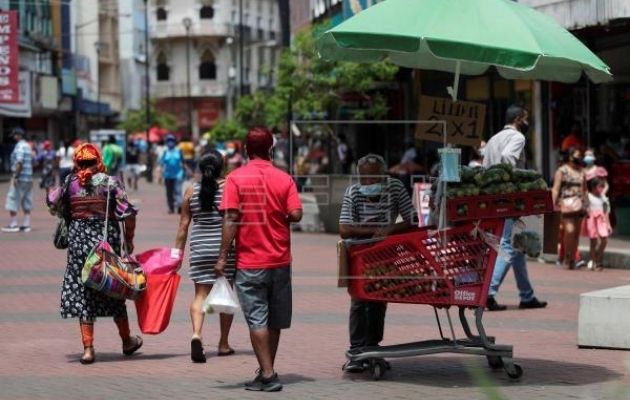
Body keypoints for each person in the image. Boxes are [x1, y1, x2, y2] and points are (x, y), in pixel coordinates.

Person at [215, 127, 302, 392]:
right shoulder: (284, 178)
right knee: (273, 321)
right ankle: (267, 370)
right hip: (280, 261)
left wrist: (222, 257)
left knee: (257, 320)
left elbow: (231, 219)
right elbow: (296, 214)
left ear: (245, 149)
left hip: (250, 263)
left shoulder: (235, 179)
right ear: (271, 149)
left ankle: (267, 373)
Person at [46, 143, 142, 364]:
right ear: (99, 161)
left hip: (79, 244)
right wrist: (129, 240)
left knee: (84, 293)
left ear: (77, 162)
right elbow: (128, 213)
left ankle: (88, 349)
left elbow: (51, 201)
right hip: (106, 242)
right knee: (115, 286)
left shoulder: (70, 183)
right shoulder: (111, 183)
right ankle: (127, 340)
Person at [339, 153, 417, 373]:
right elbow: (344, 229)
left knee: (378, 300)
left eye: (373, 178)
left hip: (384, 255)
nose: (369, 183)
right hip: (359, 254)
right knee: (358, 301)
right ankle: (356, 350)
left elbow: (412, 219)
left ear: (383, 175)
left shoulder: (395, 188)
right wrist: (374, 232)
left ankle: (373, 347)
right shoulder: (353, 192)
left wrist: (392, 228)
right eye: (364, 178)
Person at [174, 151, 237, 363]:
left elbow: (183, 226)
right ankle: (223, 343)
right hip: (222, 247)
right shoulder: (229, 188)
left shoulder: (191, 191)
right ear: (221, 167)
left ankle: (197, 334)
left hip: (200, 247)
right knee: (225, 293)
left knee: (200, 295)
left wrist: (177, 255)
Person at [483, 105, 547, 311]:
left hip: (493, 197)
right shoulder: (518, 138)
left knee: (517, 245)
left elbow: (486, 167)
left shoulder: (493, 138)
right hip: (510, 198)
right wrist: (520, 182)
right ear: (519, 119)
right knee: (509, 246)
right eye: (525, 119)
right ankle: (489, 293)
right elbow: (508, 159)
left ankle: (526, 295)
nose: (527, 123)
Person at [552, 147, 587, 270]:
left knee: (576, 234)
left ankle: (572, 259)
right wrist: (553, 204)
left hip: (579, 205)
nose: (580, 158)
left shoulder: (581, 171)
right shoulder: (562, 170)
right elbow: (556, 188)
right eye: (577, 155)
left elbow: (584, 189)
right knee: (569, 231)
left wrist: (586, 204)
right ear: (570, 156)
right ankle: (567, 255)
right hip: (566, 204)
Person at [3, 128, 34, 233]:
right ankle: (26, 225)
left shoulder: (19, 146)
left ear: (18, 135)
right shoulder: (28, 146)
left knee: (12, 199)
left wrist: (16, 176)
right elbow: (31, 163)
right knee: (27, 200)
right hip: (28, 178)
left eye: (14, 135)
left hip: (20, 178)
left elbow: (19, 162)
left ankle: (13, 224)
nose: (13, 137)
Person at [585, 177, 612, 271]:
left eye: (603, 187)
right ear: (593, 187)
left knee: (604, 240)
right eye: (600, 186)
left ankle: (598, 257)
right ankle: (593, 261)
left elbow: (606, 211)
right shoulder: (588, 196)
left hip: (601, 220)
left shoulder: (603, 198)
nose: (601, 188)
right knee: (593, 242)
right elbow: (586, 207)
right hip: (592, 220)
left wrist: (608, 225)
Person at [160, 135, 185, 214]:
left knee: (178, 191)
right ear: (166, 142)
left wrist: (186, 172)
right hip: (167, 175)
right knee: (169, 193)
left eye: (172, 141)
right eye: (168, 141)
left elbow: (183, 163)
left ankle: (179, 206)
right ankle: (171, 207)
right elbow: (161, 164)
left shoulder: (179, 151)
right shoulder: (165, 152)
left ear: (175, 142)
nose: (170, 142)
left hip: (178, 174)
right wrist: (160, 175)